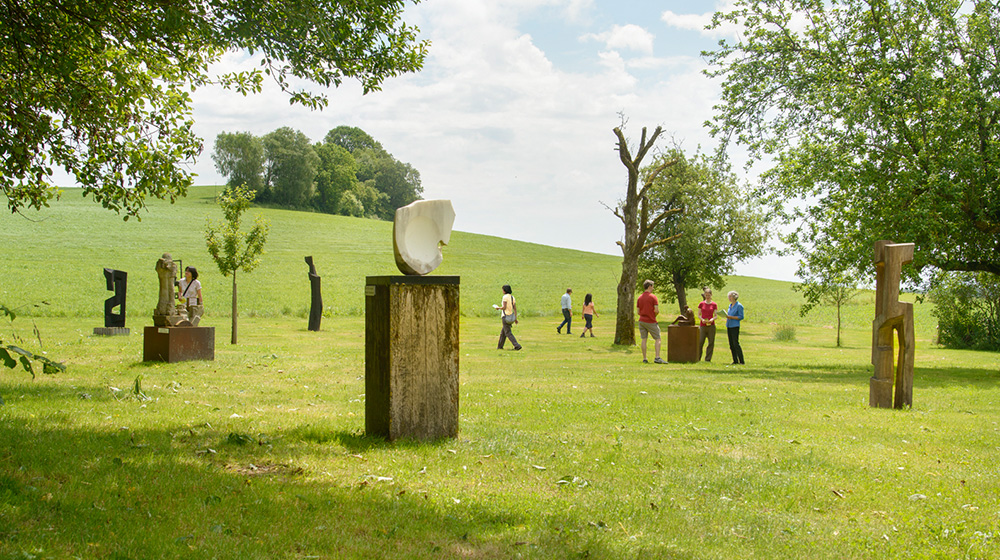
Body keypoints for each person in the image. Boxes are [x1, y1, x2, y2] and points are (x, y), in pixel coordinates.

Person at [637, 279, 665, 364]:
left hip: (641, 320)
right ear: (649, 286)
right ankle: (657, 357)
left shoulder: (640, 297)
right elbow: (656, 310)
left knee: (644, 339)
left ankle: (644, 358)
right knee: (658, 338)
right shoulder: (653, 297)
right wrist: (654, 315)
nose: (653, 288)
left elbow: (638, 311)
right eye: (652, 286)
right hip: (651, 321)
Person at [497, 284, 522, 350]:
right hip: (511, 317)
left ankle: (517, 345)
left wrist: (498, 308)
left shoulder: (505, 297)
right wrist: (515, 318)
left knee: (508, 333)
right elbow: (515, 309)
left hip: (505, 317)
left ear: (504, 290)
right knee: (503, 333)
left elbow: (504, 307)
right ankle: (500, 346)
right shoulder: (512, 297)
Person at [724, 290, 745, 365]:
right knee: (731, 344)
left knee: (736, 343)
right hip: (729, 325)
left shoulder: (739, 306)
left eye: (730, 296)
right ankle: (735, 360)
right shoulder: (730, 305)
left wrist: (731, 317)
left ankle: (741, 361)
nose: (729, 298)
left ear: (734, 297)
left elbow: (741, 317)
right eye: (728, 296)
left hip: (735, 326)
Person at [697, 287, 718, 362]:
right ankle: (698, 358)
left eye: (709, 295)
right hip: (703, 325)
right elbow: (699, 314)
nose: (707, 297)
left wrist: (712, 319)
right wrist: (702, 319)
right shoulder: (701, 304)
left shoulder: (714, 304)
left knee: (711, 342)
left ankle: (708, 359)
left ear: (711, 295)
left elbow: (716, 315)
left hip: (711, 325)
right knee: (700, 342)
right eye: (706, 295)